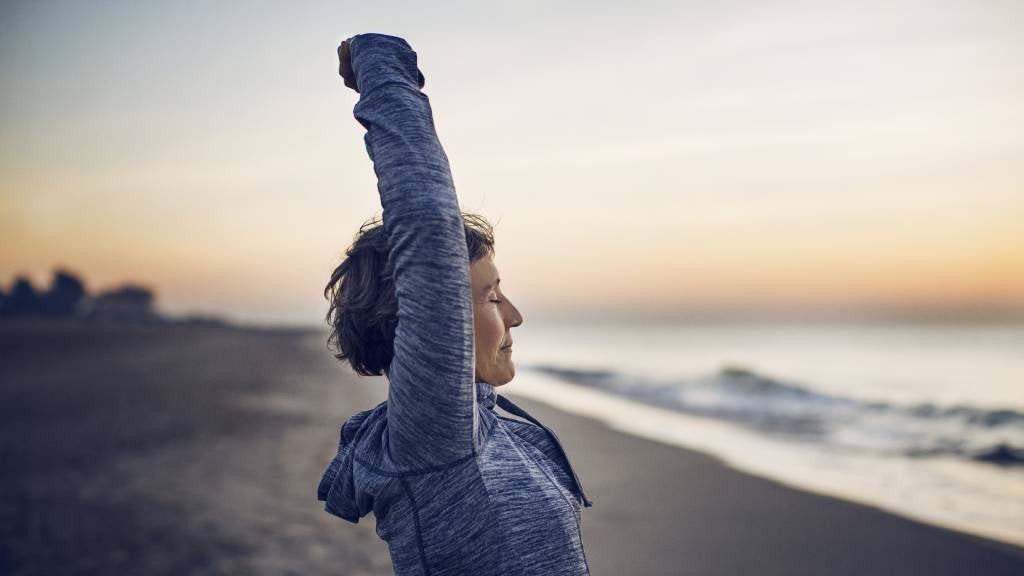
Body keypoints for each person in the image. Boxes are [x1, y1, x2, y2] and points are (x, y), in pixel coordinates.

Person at [317, 33, 593, 575]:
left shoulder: (484, 424)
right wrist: (381, 67)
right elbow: (425, 219)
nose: (514, 315)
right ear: (430, 321)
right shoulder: (435, 433)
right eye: (490, 297)